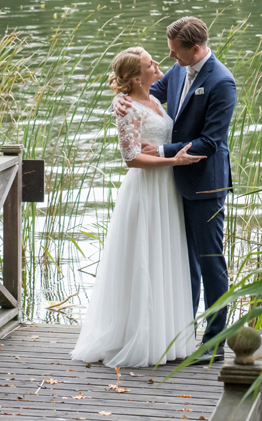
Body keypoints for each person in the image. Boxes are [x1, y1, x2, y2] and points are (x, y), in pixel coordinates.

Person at [70, 46, 204, 367]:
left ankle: (168, 335)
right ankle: (140, 337)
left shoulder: (154, 99)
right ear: (135, 77)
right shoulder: (128, 108)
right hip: (145, 189)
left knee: (164, 256)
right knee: (144, 257)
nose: (157, 63)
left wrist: (166, 158)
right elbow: (130, 158)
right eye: (149, 63)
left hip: (165, 189)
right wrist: (173, 159)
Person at [115, 17, 236, 360]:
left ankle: (214, 346)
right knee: (182, 264)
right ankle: (180, 336)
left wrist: (166, 152)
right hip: (169, 188)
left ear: (194, 49)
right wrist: (118, 103)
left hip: (203, 186)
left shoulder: (221, 82)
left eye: (174, 52)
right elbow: (144, 96)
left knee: (210, 263)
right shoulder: (180, 70)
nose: (169, 59)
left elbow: (212, 141)